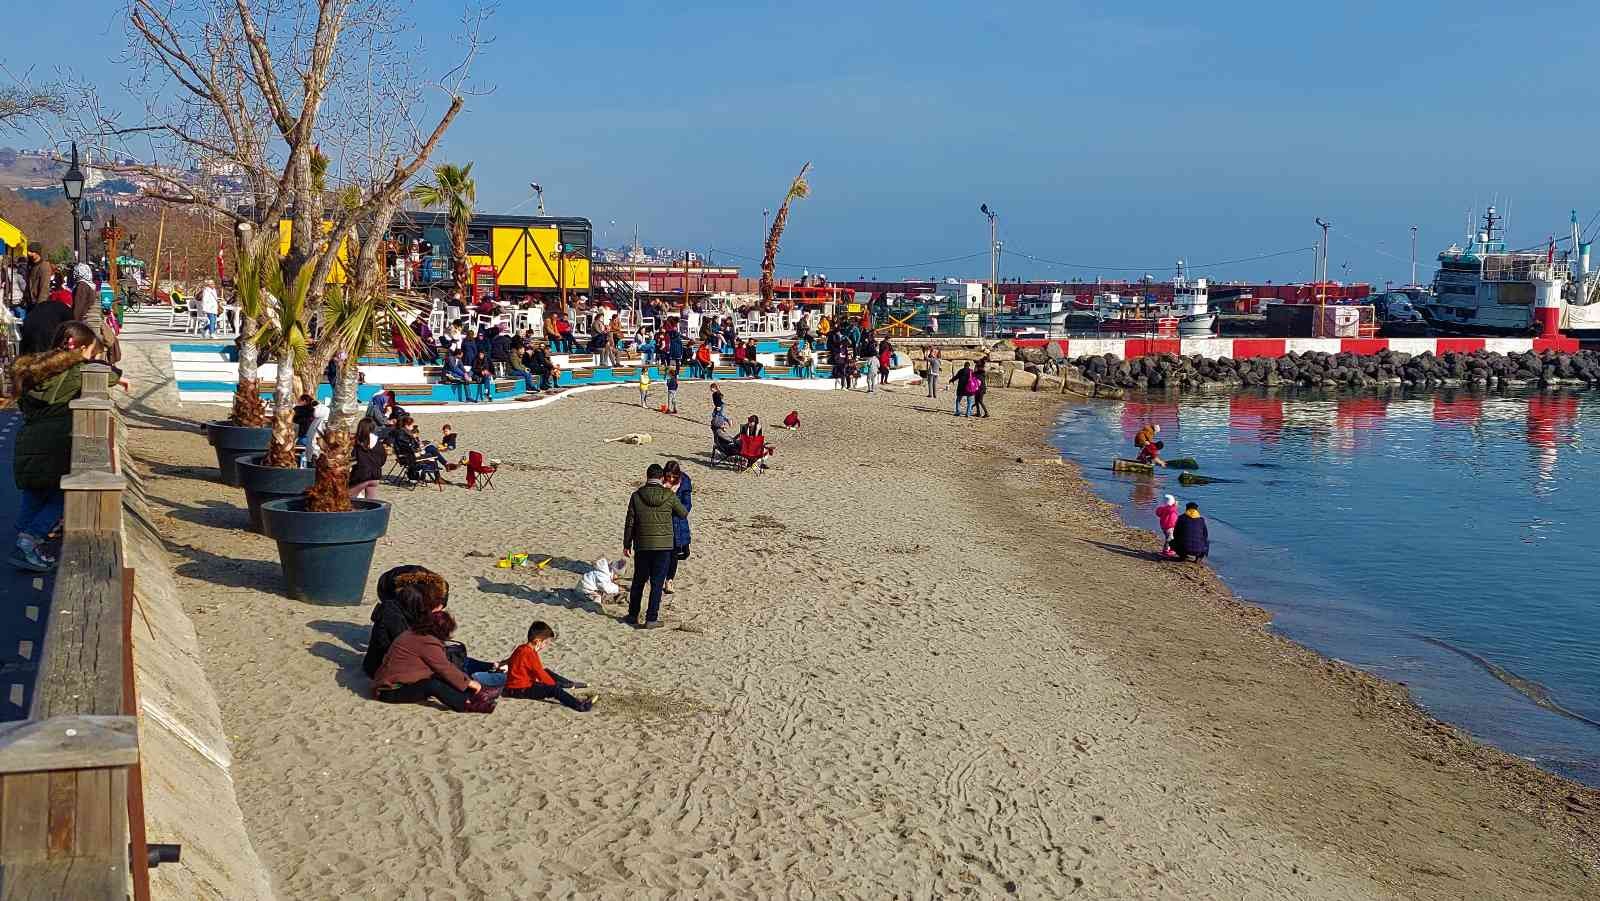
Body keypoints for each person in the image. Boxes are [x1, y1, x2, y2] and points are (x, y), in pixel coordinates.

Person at [11, 323, 124, 572]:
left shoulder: (36, 368)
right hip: (55, 442)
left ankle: (22, 542)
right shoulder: (77, 372)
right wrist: (100, 364)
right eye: (91, 353)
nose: (92, 358)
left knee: (34, 494)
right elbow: (110, 375)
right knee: (64, 496)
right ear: (80, 349)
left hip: (28, 440)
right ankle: (29, 540)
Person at [371, 607, 490, 712]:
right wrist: (470, 683)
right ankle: (465, 703)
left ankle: (468, 694)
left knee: (440, 678)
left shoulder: (413, 633)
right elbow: (445, 668)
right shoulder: (427, 642)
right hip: (389, 690)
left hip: (389, 684)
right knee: (433, 685)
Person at [621, 463, 688, 629]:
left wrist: (627, 543)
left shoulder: (636, 496)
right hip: (664, 546)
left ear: (647, 476)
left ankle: (632, 615)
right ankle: (651, 618)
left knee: (639, 581)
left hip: (642, 544)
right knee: (657, 584)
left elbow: (630, 522)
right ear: (661, 478)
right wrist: (672, 493)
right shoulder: (669, 495)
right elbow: (683, 513)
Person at [499, 621, 594, 712]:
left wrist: (500, 664)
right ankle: (580, 706)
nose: (545, 646)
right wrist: (553, 686)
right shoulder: (530, 654)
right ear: (537, 641)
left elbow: (510, 660)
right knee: (554, 689)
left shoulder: (521, 648)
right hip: (520, 690)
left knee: (547, 672)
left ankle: (568, 684)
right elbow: (540, 673)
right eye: (545, 643)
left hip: (515, 687)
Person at [17, 277, 74, 355]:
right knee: (43, 356)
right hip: (45, 332)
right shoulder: (65, 308)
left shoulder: (45, 304)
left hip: (28, 325)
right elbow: (70, 328)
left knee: (28, 355)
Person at [662, 460, 692, 596]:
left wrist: (676, 508)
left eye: (674, 476)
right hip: (664, 523)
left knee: (682, 554)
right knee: (669, 553)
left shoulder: (684, 484)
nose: (671, 479)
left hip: (678, 522)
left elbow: (687, 505)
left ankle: (668, 575)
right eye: (669, 476)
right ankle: (665, 579)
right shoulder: (659, 483)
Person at [349, 418, 385, 500]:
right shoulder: (378, 443)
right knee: (371, 502)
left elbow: (353, 459)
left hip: (361, 475)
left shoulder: (358, 442)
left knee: (348, 499)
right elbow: (383, 459)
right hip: (375, 475)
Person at [23, 245, 52, 310]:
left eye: (31, 252)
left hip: (37, 303)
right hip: (29, 303)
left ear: (37, 253)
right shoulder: (30, 265)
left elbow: (44, 287)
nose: (28, 253)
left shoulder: (44, 266)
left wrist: (40, 306)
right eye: (28, 251)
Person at [1155, 494, 1180, 558]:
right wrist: (1175, 504)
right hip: (1170, 526)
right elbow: (1173, 509)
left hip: (1164, 526)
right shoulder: (1171, 509)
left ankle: (1169, 549)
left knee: (1169, 538)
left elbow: (1158, 513)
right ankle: (1166, 551)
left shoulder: (1162, 509)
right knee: (1170, 539)